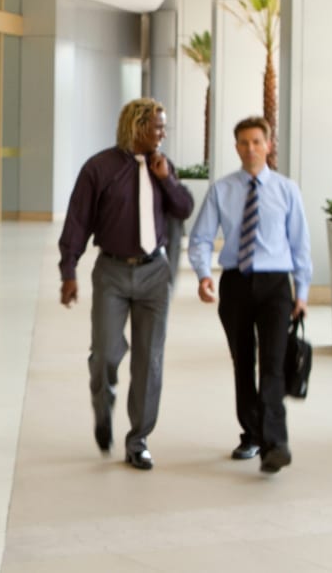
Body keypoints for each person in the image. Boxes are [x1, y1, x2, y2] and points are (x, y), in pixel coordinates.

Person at [57, 98, 194, 471]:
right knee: (106, 353)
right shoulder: (99, 168)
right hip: (113, 273)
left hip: (155, 273)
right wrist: (68, 272)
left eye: (164, 127)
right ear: (136, 127)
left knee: (149, 360)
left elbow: (184, 208)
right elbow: (77, 222)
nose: (163, 134)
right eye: (158, 127)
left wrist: (166, 179)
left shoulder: (163, 167)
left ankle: (139, 440)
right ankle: (103, 409)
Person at [187, 116, 311, 474]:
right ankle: (252, 433)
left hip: (275, 285)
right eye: (243, 142)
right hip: (236, 283)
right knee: (243, 362)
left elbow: (300, 243)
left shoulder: (287, 190)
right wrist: (203, 275)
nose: (250, 148)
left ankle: (275, 443)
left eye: (257, 141)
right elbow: (201, 238)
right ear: (236, 147)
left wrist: (301, 291)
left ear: (268, 145)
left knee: (272, 364)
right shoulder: (222, 190)